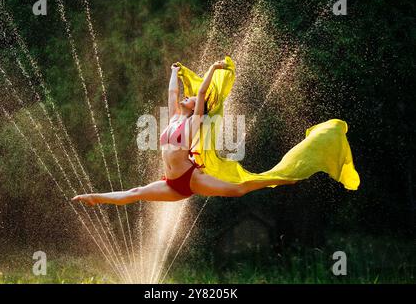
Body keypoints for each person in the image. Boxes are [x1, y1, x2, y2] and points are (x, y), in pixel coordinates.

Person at [72, 56, 360, 206]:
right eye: (184, 97)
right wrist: (174, 72)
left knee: (236, 191)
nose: (185, 97)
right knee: (135, 192)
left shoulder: (194, 121)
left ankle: (283, 179)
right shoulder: (174, 116)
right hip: (171, 183)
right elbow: (173, 93)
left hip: (189, 178)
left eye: (189, 97)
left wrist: (210, 68)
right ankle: (95, 198)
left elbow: (203, 94)